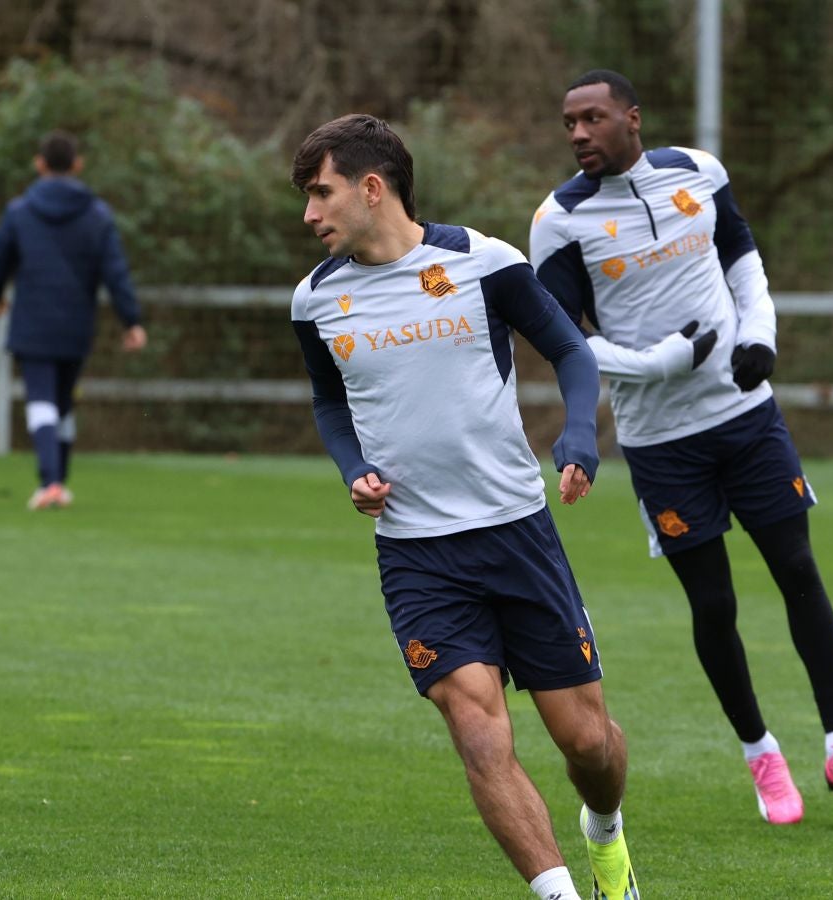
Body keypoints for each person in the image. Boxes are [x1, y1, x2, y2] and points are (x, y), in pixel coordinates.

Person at [289, 114, 637, 900]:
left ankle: (606, 830)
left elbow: (572, 349)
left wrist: (579, 433)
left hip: (517, 530)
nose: (310, 215)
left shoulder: (483, 263)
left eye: (321, 193)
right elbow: (328, 399)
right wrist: (354, 468)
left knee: (587, 744)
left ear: (371, 188)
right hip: (416, 552)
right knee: (479, 733)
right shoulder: (315, 301)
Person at [529, 69, 833, 827]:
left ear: (632, 117)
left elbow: (743, 263)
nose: (578, 135)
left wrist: (760, 335)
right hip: (662, 442)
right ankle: (761, 755)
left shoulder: (698, 172)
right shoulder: (560, 220)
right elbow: (564, 342)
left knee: (797, 569)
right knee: (714, 601)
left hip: (747, 416)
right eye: (569, 123)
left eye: (592, 119)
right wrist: (661, 363)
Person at [0, 129, 147, 511]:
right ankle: (58, 481)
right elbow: (115, 272)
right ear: (77, 165)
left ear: (39, 164)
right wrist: (131, 321)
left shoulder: (20, 211)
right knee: (62, 404)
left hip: (32, 323)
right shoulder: (97, 215)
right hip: (76, 325)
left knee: (42, 402)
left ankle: (51, 482)